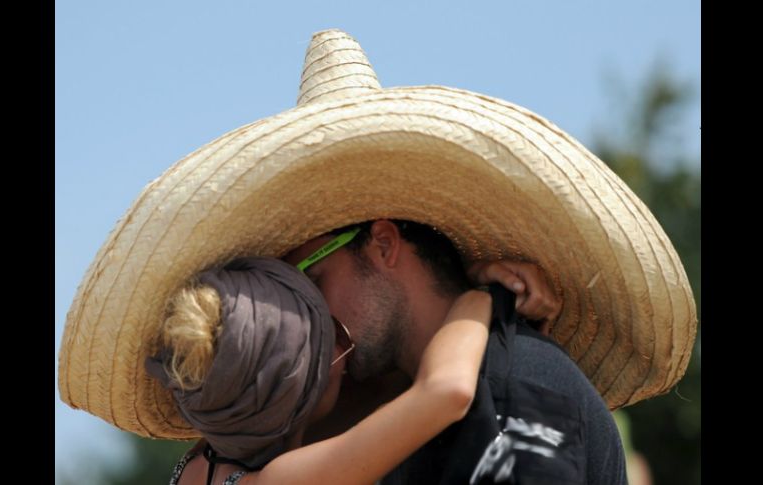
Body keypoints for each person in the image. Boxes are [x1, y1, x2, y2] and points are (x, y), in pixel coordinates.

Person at [58, 27, 696, 485]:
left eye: (310, 276)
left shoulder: (514, 384)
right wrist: (482, 295)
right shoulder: (408, 408)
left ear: (383, 243)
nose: (303, 314)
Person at [145, 256, 557, 484]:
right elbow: (445, 390)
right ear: (303, 392)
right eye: (335, 342)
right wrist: (482, 294)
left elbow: (378, 409)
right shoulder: (282, 481)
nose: (350, 359)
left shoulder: (207, 460)